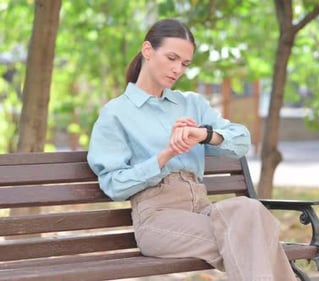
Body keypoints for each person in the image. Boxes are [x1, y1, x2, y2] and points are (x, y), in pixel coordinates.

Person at [87, 18, 297, 281]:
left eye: (184, 63)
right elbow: (113, 184)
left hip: (203, 209)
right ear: (147, 50)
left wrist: (205, 135)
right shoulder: (116, 113)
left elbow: (242, 141)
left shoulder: (192, 104)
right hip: (158, 219)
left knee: (250, 211)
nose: (177, 69)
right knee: (252, 235)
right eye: (172, 58)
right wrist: (165, 156)